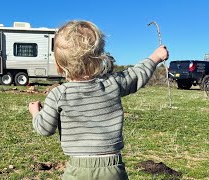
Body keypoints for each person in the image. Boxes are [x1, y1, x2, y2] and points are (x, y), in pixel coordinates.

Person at [28, 20, 169, 180]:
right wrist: (155, 57)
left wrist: (35, 113)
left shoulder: (59, 94)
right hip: (112, 168)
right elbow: (136, 74)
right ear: (100, 57)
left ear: (59, 65)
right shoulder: (112, 83)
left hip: (77, 169)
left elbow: (45, 129)